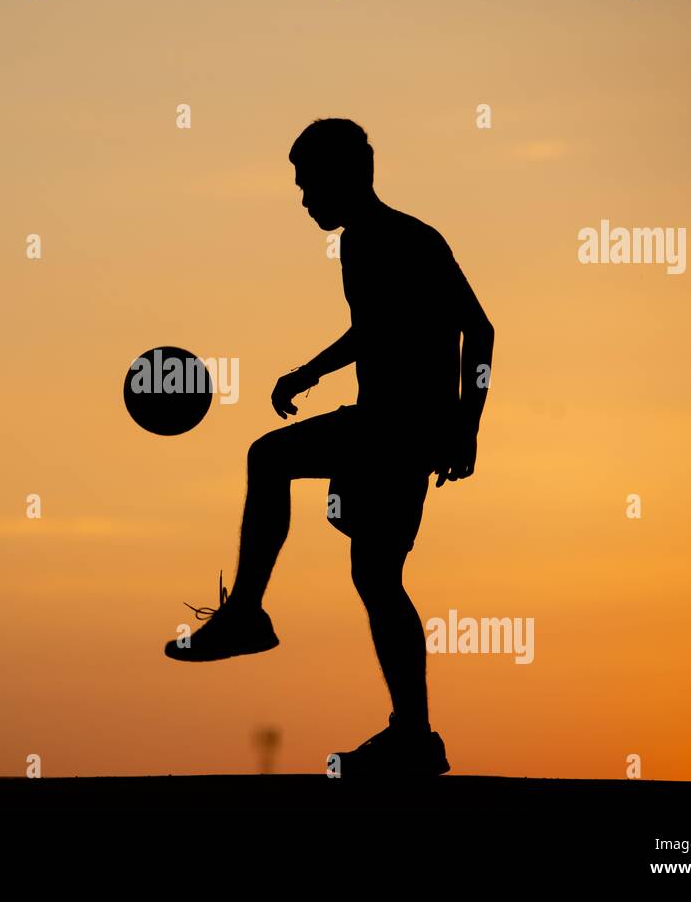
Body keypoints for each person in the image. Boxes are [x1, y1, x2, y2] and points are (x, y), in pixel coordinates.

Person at [163, 118, 495, 776]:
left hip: (394, 431)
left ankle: (247, 616)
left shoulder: (383, 240)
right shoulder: (390, 238)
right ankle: (414, 736)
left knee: (270, 458)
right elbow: (388, 330)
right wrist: (456, 424)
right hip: (398, 428)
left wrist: (466, 425)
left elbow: (472, 329)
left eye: (309, 183)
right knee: (376, 576)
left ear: (345, 177)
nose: (305, 198)